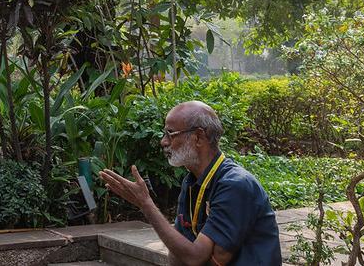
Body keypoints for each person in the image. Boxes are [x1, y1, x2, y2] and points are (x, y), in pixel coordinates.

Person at [99, 101, 281, 266]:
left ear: (198, 137)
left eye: (170, 134)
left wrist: (146, 204)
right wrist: (194, 251)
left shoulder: (235, 185)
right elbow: (179, 258)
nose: (163, 142)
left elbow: (195, 257)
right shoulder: (192, 181)